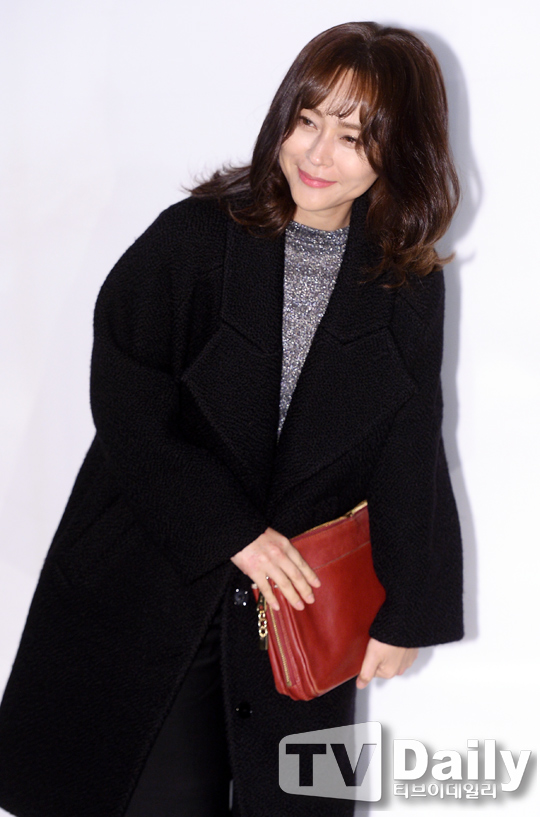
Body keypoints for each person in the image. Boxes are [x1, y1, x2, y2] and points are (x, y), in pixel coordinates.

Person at [0, 21, 463, 817]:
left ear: (402, 150)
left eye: (352, 136)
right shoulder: (195, 239)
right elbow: (126, 394)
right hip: (151, 578)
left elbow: (412, 440)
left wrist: (409, 607)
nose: (317, 153)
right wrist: (230, 529)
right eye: (306, 120)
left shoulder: (405, 284)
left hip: (294, 612)